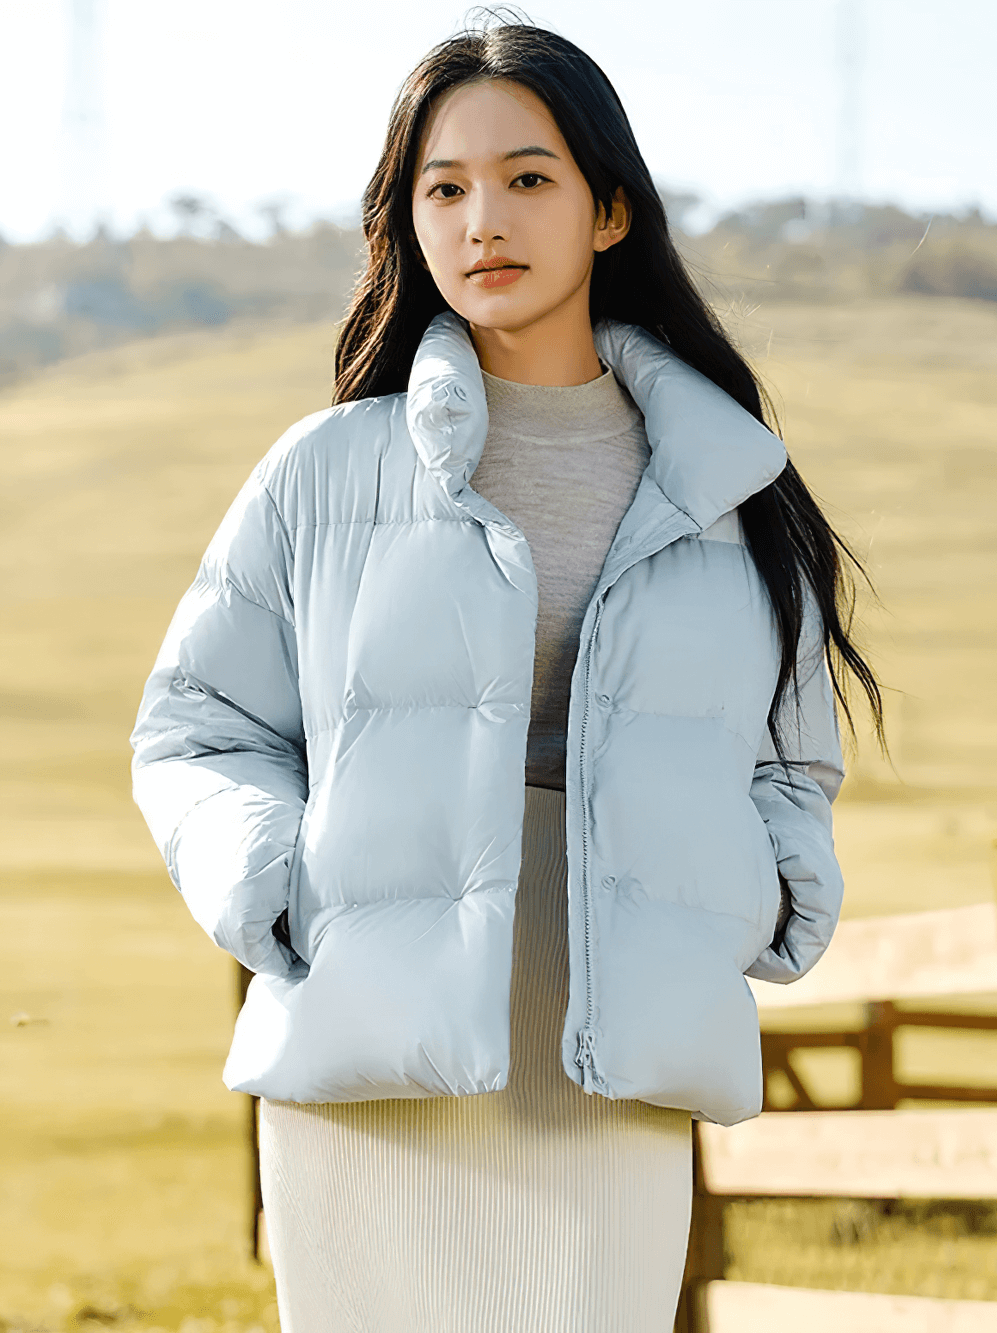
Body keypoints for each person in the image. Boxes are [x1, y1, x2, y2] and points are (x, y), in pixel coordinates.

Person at [130, 17, 883, 1332]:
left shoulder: (727, 488)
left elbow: (787, 756)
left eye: (528, 178)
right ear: (409, 219)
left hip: (615, 1057)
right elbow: (195, 731)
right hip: (368, 1056)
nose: (486, 218)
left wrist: (756, 897)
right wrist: (278, 884)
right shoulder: (321, 474)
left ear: (608, 212)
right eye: (446, 186)